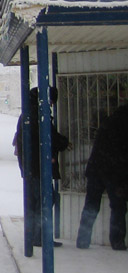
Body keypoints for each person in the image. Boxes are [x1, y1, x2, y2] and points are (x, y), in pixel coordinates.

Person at [13, 87, 70, 247]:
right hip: (37, 167)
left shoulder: (29, 112)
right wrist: (63, 143)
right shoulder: (38, 115)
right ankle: (39, 237)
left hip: (31, 167)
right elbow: (46, 137)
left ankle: (34, 236)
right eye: (51, 102)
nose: (51, 105)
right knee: (45, 199)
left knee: (36, 201)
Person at [75, 104, 128, 250]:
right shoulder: (124, 126)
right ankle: (117, 242)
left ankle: (83, 240)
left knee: (91, 206)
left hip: (96, 170)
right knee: (118, 207)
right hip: (114, 174)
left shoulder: (107, 123)